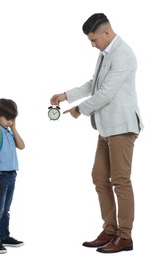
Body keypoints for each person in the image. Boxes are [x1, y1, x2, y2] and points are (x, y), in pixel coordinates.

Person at [50, 13, 143, 253]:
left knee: (120, 180)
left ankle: (125, 236)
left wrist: (78, 110)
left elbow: (107, 93)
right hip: (106, 127)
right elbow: (94, 84)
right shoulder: (105, 54)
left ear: (106, 33)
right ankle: (110, 230)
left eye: (93, 40)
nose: (92, 45)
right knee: (99, 177)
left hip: (122, 127)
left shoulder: (124, 55)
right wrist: (66, 95)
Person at [0, 98, 25, 254]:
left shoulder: (8, 131)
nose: (10, 121)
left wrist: (14, 128)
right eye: (7, 118)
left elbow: (22, 146)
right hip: (0, 176)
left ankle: (5, 236)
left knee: (6, 210)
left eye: (12, 118)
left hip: (12, 175)